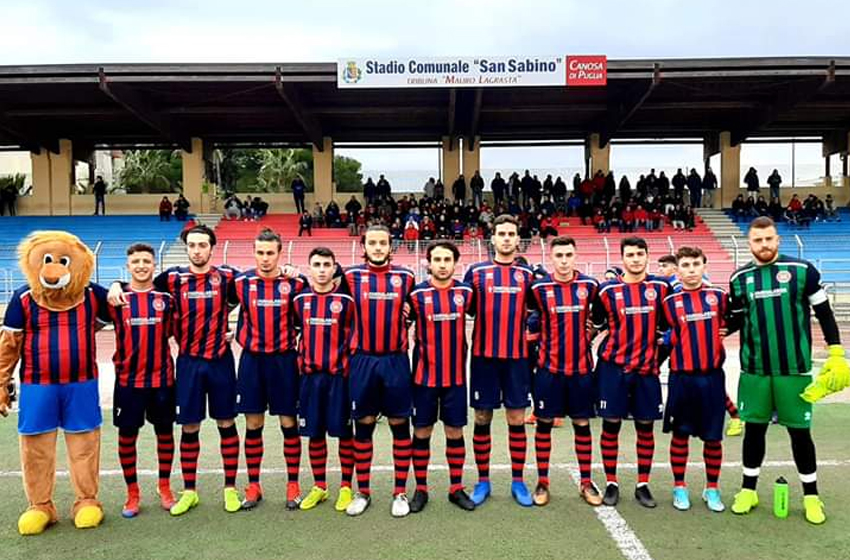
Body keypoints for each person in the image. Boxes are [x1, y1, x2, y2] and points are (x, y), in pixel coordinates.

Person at [107, 224, 243, 516]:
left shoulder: (228, 276)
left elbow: (260, 296)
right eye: (192, 245)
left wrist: (240, 331)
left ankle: (230, 489)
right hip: (188, 363)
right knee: (189, 427)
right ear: (186, 248)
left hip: (220, 361)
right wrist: (116, 284)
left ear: (212, 247)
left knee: (226, 424)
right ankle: (189, 491)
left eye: (202, 245)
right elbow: (139, 282)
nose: (197, 250)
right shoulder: (172, 279)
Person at [727, 217, 849, 525]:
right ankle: (748, 490)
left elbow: (824, 313)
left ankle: (811, 497)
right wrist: (715, 329)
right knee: (754, 431)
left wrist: (836, 351)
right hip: (754, 370)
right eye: (758, 240)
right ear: (749, 243)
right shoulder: (739, 279)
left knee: (800, 434)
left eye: (769, 239)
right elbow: (737, 320)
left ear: (778, 240)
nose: (764, 245)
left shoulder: (802, 271)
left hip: (793, 370)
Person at [339, 225, 416, 517]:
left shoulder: (406, 277)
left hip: (395, 360)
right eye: (372, 242)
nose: (378, 247)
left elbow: (415, 307)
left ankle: (400, 492)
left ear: (390, 246)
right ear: (364, 246)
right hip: (363, 361)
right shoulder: (349, 276)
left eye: (383, 242)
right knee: (365, 425)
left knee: (399, 425)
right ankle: (364, 491)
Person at [590, 237, 671, 508]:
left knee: (645, 427)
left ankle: (642, 484)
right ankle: (611, 482)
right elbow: (596, 325)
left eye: (640, 254)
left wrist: (658, 358)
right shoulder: (606, 291)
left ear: (648, 255)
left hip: (646, 371)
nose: (635, 259)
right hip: (613, 368)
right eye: (630, 254)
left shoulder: (662, 287)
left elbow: (669, 329)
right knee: (610, 425)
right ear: (622, 258)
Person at [463, 215, 536, 507]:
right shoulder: (476, 272)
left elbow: (540, 308)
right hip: (483, 358)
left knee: (516, 419)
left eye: (511, 234)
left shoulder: (528, 275)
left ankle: (518, 481)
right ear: (491, 239)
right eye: (501, 234)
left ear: (518, 240)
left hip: (517, 358)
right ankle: (483, 481)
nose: (506, 238)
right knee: (482, 418)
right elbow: (466, 310)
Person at [232, 230, 308, 510]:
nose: (265, 258)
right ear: (254, 253)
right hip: (252, 361)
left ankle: (293, 484)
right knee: (253, 425)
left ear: (280, 254)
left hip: (284, 361)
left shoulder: (295, 283)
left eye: (270, 253)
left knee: (289, 424)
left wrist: (298, 272)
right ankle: (253, 485)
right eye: (260, 252)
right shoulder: (241, 282)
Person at [529, 237, 603, 507]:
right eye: (558, 255)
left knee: (582, 425)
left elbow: (603, 315)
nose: (563, 260)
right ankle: (542, 481)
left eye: (568, 254)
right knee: (544, 424)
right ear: (551, 257)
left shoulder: (590, 286)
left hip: (582, 370)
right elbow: (529, 320)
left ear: (575, 255)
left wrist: (593, 331)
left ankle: (585, 481)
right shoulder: (538, 288)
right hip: (549, 370)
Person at [405, 241, 476, 513]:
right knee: (422, 431)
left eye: (447, 259)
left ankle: (455, 488)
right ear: (428, 263)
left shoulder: (466, 292)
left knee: (454, 431)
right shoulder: (415, 294)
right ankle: (421, 488)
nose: (442, 264)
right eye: (437, 259)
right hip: (423, 378)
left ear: (455, 263)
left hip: (456, 377)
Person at [108, 243, 177, 518]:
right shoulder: (115, 299)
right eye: (136, 261)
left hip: (162, 379)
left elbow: (177, 331)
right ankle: (132, 493)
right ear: (128, 266)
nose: (141, 266)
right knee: (127, 436)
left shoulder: (167, 300)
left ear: (154, 265)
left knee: (165, 433)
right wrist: (115, 284)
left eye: (146, 261)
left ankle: (165, 487)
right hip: (127, 381)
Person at [660, 247, 728, 513]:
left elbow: (734, 321)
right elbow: (663, 336)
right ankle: (680, 486)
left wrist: (725, 330)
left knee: (713, 438)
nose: (690, 269)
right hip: (681, 378)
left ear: (704, 265)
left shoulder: (720, 297)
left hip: (711, 377)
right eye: (685, 265)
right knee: (681, 435)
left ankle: (712, 488)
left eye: (695, 264)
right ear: (677, 269)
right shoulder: (668, 302)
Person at [292, 247, 357, 512]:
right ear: (309, 269)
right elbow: (293, 330)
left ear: (334, 269)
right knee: (314, 434)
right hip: (309, 379)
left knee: (344, 434)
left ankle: (345, 487)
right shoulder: (299, 300)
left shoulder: (347, 302)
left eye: (326, 264)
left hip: (339, 378)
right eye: (316, 264)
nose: (321, 269)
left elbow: (355, 336)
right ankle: (320, 486)